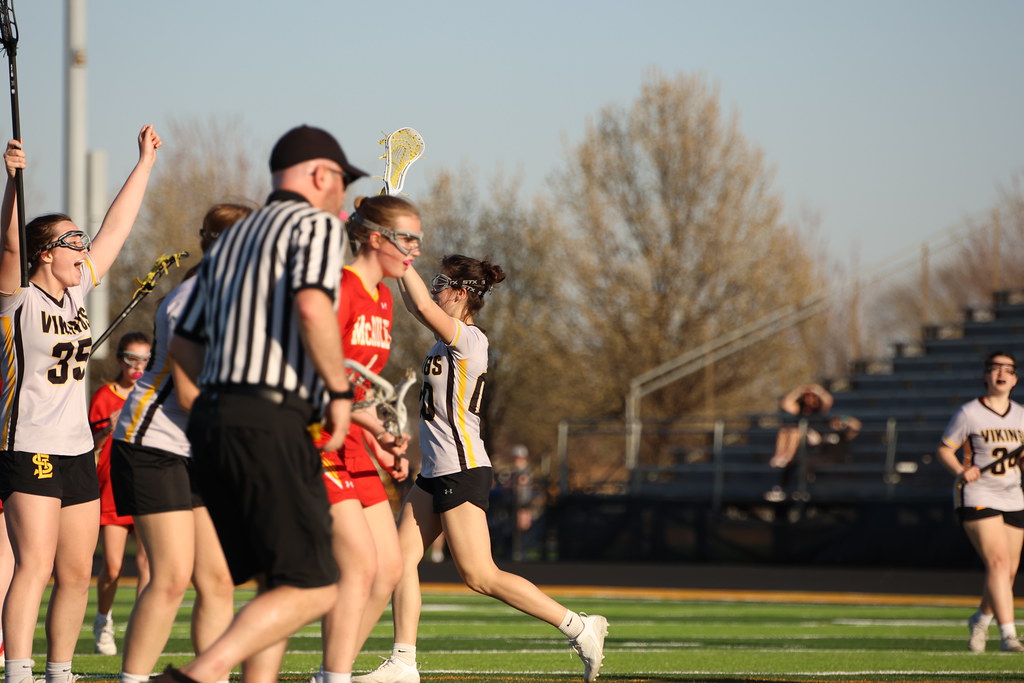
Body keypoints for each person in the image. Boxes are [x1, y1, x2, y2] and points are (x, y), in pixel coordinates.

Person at [163, 124, 366, 683]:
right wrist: (339, 391)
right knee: (316, 584)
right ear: (320, 175)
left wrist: (229, 393)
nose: (343, 195)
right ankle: (199, 675)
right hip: (268, 419)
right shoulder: (317, 225)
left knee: (280, 583)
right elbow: (311, 309)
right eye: (343, 182)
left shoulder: (231, 239)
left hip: (210, 421)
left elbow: (182, 346)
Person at [354, 255, 608, 683]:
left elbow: (418, 307)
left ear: (462, 292)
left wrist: (397, 258)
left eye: (441, 283)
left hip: (462, 468)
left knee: (479, 575)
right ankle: (403, 662)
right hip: (434, 472)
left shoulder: (469, 339)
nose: (434, 289)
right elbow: (414, 301)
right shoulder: (442, 342)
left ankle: (580, 626)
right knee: (397, 563)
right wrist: (387, 259)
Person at [0, 125, 161, 683]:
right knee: (35, 567)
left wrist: (143, 163)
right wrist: (14, 184)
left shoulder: (77, 290)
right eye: (73, 241)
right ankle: (18, 671)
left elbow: (118, 228)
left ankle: (59, 671)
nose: (84, 248)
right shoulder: (17, 296)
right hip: (29, 448)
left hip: (75, 451)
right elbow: (9, 245)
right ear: (46, 253)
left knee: (74, 573)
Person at [110, 204, 251, 683]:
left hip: (193, 449)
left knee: (216, 580)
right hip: (153, 443)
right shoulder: (197, 299)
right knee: (169, 578)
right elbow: (191, 395)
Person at [311, 195, 418, 683]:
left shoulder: (384, 297)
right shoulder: (341, 288)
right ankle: (333, 676)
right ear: (376, 238)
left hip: (352, 440)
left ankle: (333, 672)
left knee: (389, 569)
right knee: (359, 563)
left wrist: (377, 440)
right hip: (315, 437)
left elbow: (362, 386)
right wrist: (369, 424)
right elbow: (316, 380)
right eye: (407, 238)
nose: (415, 250)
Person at [937, 350, 1024, 653]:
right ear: (986, 375)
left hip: (1012, 495)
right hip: (977, 494)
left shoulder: (1021, 415)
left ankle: (981, 618)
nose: (1001, 373)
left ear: (1014, 378)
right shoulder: (969, 413)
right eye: (995, 368)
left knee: (1008, 571)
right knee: (998, 563)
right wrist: (962, 470)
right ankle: (1009, 635)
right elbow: (945, 449)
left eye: (1008, 369)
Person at [90, 331, 154, 656]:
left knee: (147, 564)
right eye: (132, 359)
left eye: (144, 360)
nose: (138, 367)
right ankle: (103, 620)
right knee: (113, 567)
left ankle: (141, 628)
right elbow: (88, 446)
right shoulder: (104, 395)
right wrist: (107, 427)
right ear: (120, 360)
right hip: (112, 490)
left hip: (146, 487)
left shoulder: (153, 394)